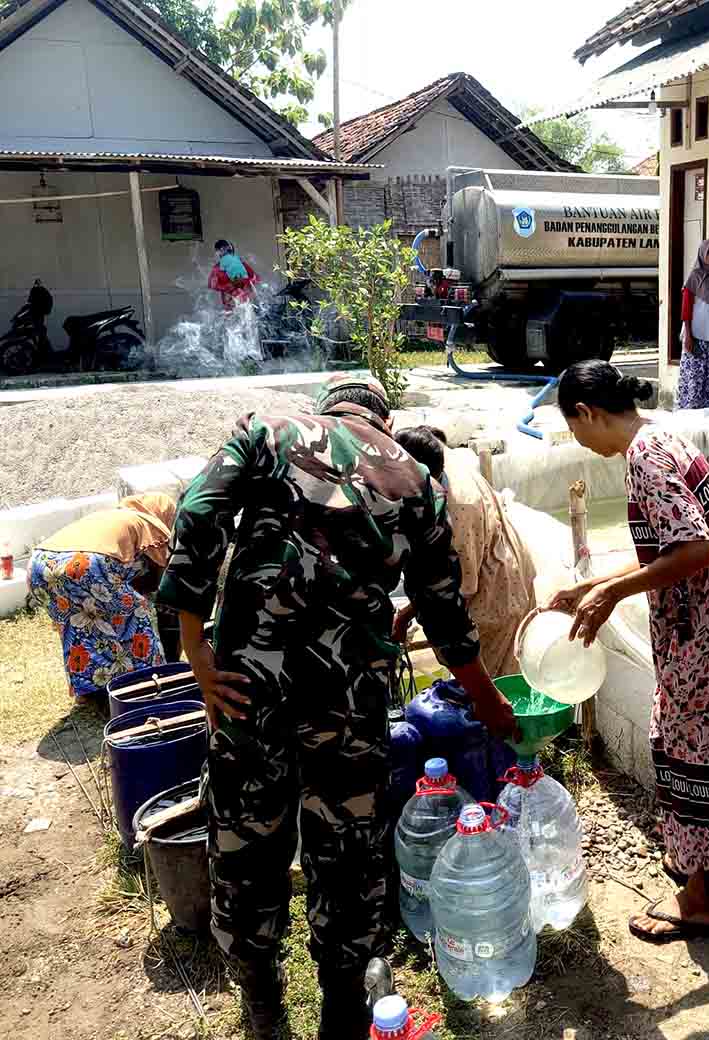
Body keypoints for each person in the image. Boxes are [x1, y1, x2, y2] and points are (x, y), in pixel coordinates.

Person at [157, 376, 515, 1040]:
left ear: (327, 408)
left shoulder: (268, 430)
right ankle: (343, 1009)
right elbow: (443, 610)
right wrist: (489, 700)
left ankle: (261, 1001)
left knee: (246, 838)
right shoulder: (413, 476)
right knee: (347, 850)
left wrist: (193, 643)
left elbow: (198, 512)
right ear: (384, 419)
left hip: (246, 685)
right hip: (349, 697)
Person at [549, 360, 709, 942]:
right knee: (707, 744)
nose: (579, 442)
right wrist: (592, 586)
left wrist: (612, 593)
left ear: (587, 413)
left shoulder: (645, 460)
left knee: (689, 748)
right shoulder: (663, 437)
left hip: (705, 629)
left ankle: (702, 899)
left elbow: (695, 549)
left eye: (574, 428)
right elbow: (669, 549)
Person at [391, 425, 537, 678]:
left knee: (488, 685)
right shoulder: (437, 454)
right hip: (493, 562)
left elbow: (458, 588)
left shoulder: (458, 509)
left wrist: (405, 615)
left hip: (494, 597)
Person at [27, 493, 177, 698]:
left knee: (78, 624)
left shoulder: (108, 516)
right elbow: (160, 579)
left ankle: (90, 690)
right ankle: (151, 682)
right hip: (83, 564)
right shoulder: (151, 526)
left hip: (39, 565)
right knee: (139, 612)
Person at [677, 239, 709, 409]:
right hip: (696, 336)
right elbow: (686, 309)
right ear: (702, 254)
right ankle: (690, 413)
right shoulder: (695, 276)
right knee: (694, 377)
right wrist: (688, 335)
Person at [209, 239, 258, 311]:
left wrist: (228, 286)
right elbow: (255, 277)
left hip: (235, 300)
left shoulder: (217, 268)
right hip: (239, 298)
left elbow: (212, 285)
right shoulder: (238, 262)